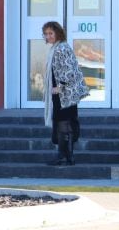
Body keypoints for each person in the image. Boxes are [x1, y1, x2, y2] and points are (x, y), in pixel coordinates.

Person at [42, 21, 89, 166]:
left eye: (51, 33)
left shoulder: (61, 48)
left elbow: (69, 68)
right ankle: (68, 156)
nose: (48, 36)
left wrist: (60, 86)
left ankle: (63, 156)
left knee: (63, 123)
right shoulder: (57, 48)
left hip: (64, 93)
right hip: (63, 93)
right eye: (46, 34)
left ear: (58, 33)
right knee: (65, 123)